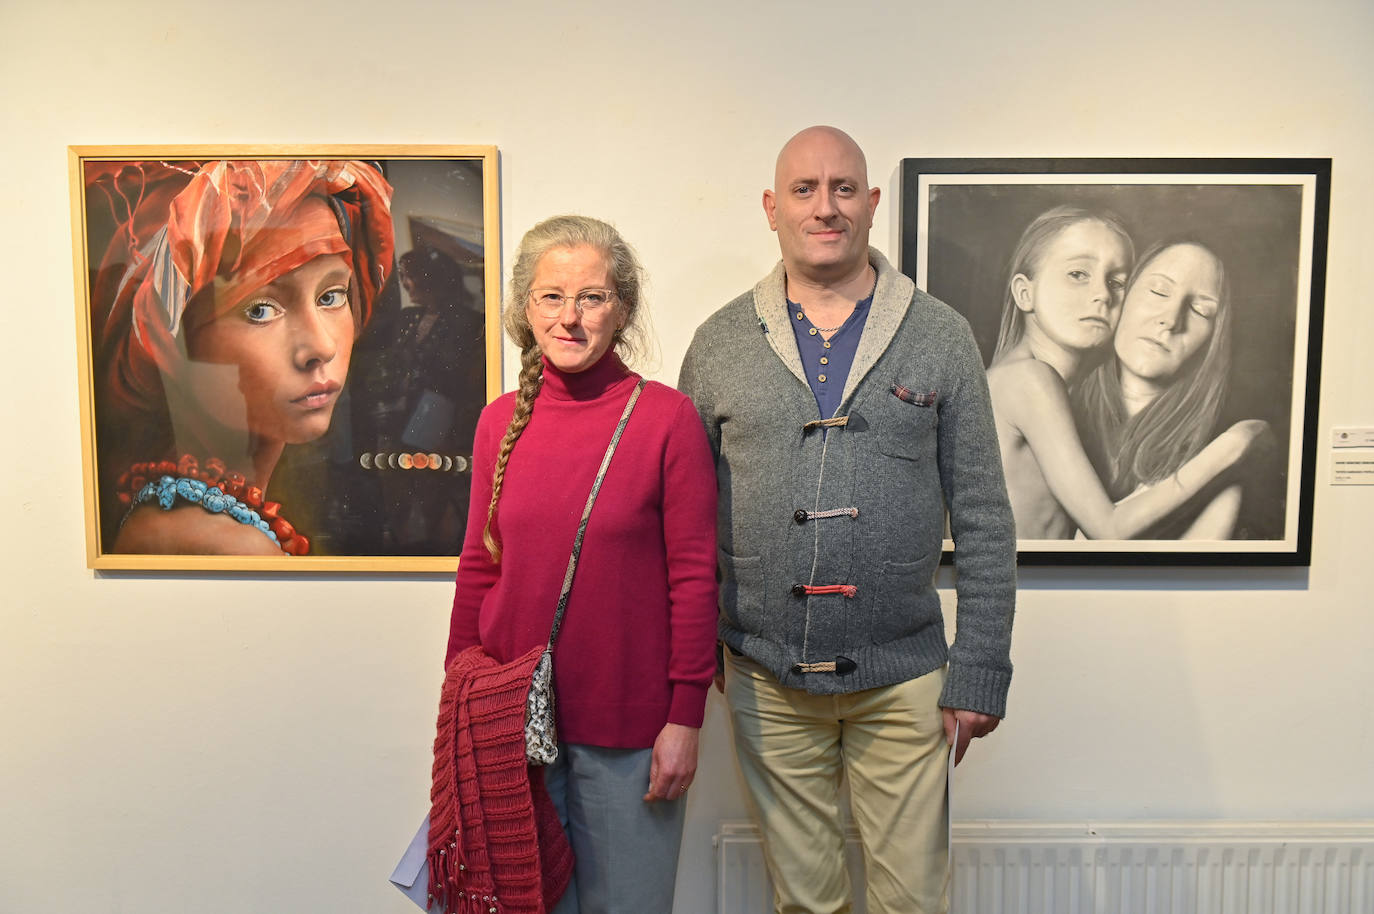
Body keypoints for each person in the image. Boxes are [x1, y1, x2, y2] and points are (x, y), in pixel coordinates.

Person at [678, 126, 1015, 913]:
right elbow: (686, 523)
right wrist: (697, 662)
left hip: (907, 677)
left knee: (913, 902)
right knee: (805, 903)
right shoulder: (719, 343)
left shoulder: (942, 335)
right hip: (765, 675)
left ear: (869, 202)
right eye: (804, 189)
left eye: (841, 189)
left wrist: (980, 668)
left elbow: (985, 516)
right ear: (772, 207)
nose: (824, 207)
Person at [444, 215, 718, 913]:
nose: (570, 317)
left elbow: (693, 578)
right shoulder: (497, 421)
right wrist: (458, 706)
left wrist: (685, 717)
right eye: (551, 297)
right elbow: (479, 567)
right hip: (508, 720)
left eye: (591, 297)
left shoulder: (666, 419)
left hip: (630, 728)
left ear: (621, 309)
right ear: (524, 308)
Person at [89, 159, 395, 556]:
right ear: (172, 343)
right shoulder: (225, 544)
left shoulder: (186, 516)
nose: (321, 347)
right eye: (260, 309)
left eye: (331, 296)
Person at [987, 208, 1264, 540]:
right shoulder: (1029, 380)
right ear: (1024, 292)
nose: (1102, 294)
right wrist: (1234, 445)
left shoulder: (1055, 393)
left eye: (1117, 282)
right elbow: (1109, 530)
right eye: (1078, 274)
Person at [1074, 240, 1269, 538]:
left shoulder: (1223, 478)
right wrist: (1238, 442)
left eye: (1201, 310)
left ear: (1213, 343)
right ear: (1121, 296)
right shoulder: (1054, 406)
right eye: (1158, 291)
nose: (1171, 318)